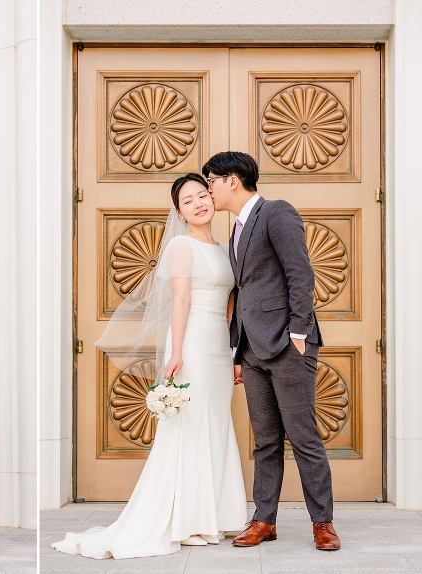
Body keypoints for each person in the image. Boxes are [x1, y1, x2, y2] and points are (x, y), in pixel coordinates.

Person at [52, 174, 248, 559]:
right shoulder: (180, 246)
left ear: (213, 197)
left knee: (215, 424)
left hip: (218, 348)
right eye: (187, 200)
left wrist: (233, 352)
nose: (198, 204)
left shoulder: (227, 249)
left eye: (202, 195)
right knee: (189, 428)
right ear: (179, 211)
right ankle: (184, 521)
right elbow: (180, 301)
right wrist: (175, 352)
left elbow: (230, 305)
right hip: (190, 343)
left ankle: (212, 517)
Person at [203, 151, 340, 551]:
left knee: (303, 436)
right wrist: (237, 348)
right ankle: (264, 520)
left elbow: (300, 272)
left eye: (212, 180)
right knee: (265, 441)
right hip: (252, 348)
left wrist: (299, 331)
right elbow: (243, 291)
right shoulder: (236, 229)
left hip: (287, 343)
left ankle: (323, 523)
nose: (209, 189)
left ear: (232, 180)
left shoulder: (276, 211)